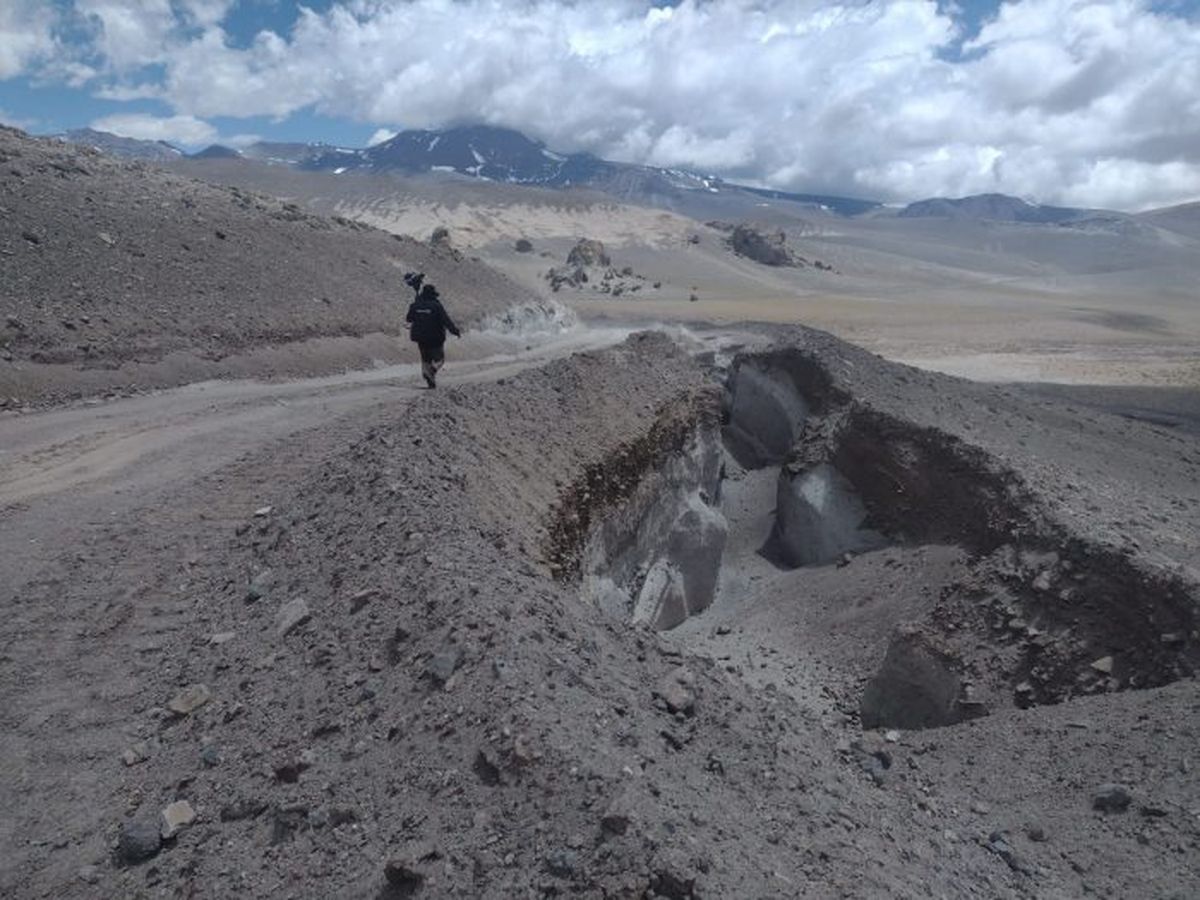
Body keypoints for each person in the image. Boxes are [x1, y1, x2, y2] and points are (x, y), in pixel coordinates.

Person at [403, 272, 461, 388]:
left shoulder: (415, 305)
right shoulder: (437, 306)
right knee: (439, 359)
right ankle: (432, 371)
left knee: (425, 358)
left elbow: (409, 318)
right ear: (434, 295)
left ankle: (429, 378)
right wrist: (455, 331)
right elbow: (446, 320)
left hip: (420, 337)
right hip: (435, 337)